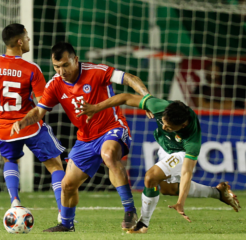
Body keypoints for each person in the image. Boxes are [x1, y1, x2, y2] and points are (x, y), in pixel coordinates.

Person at [11, 42, 152, 232]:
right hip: (86, 139)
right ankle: (66, 225)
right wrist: (23, 121)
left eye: (65, 65)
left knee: (109, 154)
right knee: (68, 185)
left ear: (76, 60)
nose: (61, 71)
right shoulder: (55, 84)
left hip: (112, 127)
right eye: (57, 67)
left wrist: (147, 98)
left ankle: (130, 210)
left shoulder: (96, 71)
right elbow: (39, 111)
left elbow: (130, 79)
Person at [76, 93, 241, 233]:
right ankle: (218, 192)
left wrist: (180, 203)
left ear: (182, 125)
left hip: (181, 152)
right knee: (167, 189)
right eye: (163, 122)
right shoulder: (160, 106)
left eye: (169, 127)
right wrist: (97, 107)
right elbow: (126, 97)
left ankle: (142, 223)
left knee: (150, 177)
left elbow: (186, 173)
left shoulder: (192, 141)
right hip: (166, 148)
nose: (164, 126)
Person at [0, 24, 65, 221]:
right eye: (27, 36)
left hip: (4, 129)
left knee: (10, 160)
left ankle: (15, 201)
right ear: (20, 41)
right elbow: (43, 103)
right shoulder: (31, 68)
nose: (29, 40)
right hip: (29, 125)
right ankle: (63, 213)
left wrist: (0, 102)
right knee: (56, 166)